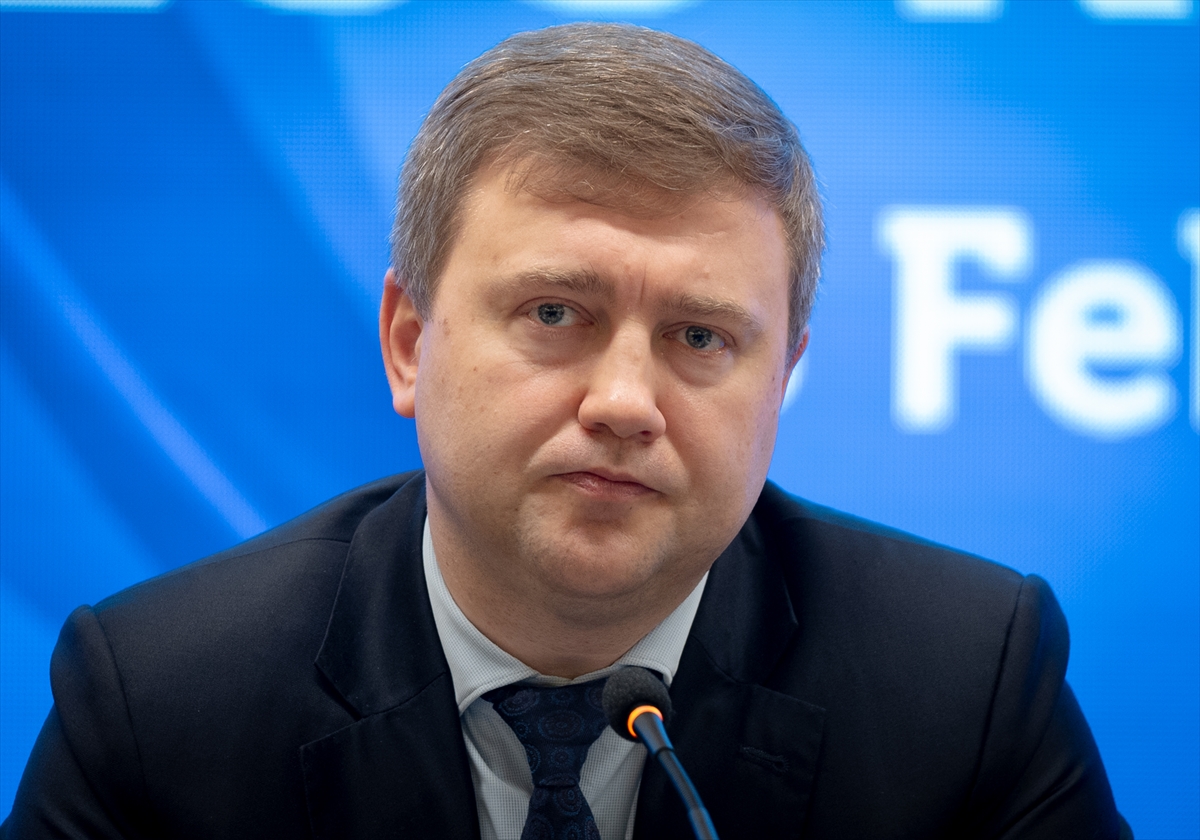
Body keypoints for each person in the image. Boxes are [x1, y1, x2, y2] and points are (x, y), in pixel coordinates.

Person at [3, 22, 1129, 840]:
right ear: (408, 342)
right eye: (555, 314)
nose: (626, 402)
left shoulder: (965, 688)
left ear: (783, 377)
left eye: (700, 337)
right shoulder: (163, 699)